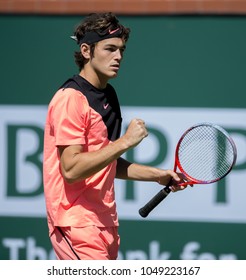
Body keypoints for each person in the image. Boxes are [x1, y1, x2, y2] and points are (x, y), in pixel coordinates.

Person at [43, 12, 187, 260]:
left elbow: (106, 163)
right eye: (110, 49)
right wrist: (125, 142)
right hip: (76, 223)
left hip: (105, 223)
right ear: (86, 51)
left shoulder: (109, 95)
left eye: (121, 50)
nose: (118, 56)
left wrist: (158, 176)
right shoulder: (70, 99)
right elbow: (72, 169)